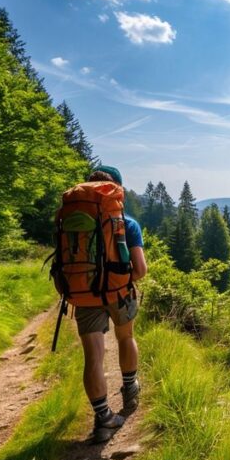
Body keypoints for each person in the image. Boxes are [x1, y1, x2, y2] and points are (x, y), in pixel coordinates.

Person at [75, 165, 147, 443]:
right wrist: (121, 280)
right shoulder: (126, 224)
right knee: (126, 337)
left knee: (93, 355)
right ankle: (130, 389)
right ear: (116, 191)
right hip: (118, 291)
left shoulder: (72, 221)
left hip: (84, 294)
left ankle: (103, 419)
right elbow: (140, 269)